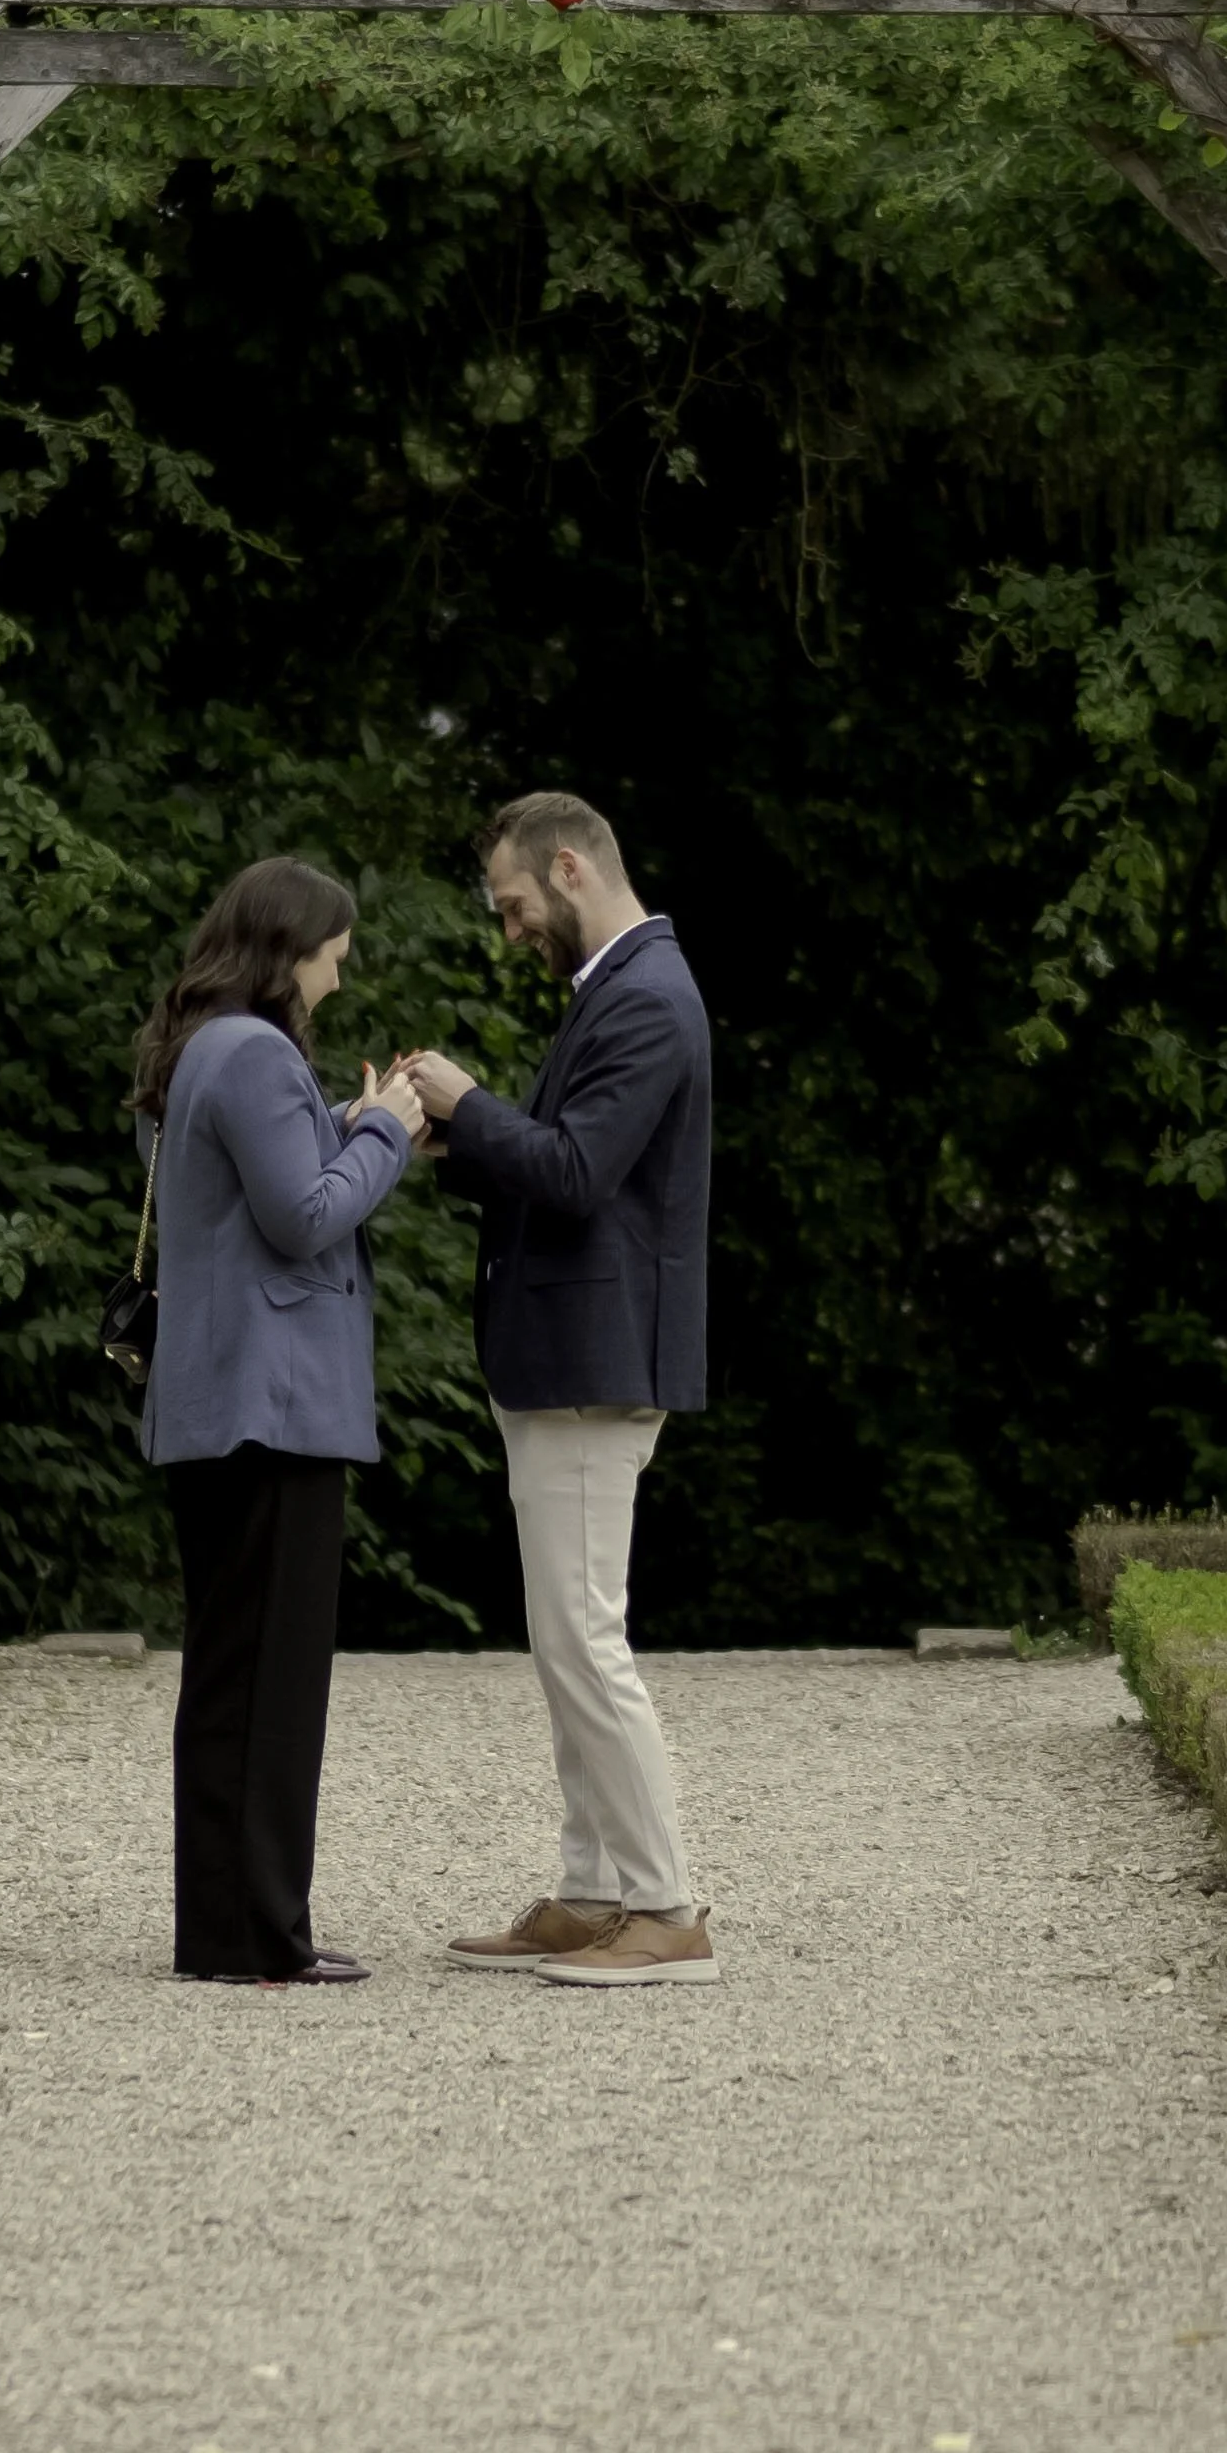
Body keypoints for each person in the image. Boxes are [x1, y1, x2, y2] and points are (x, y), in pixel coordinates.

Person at [404, 791, 716, 1989]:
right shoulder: (622, 989)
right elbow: (573, 1169)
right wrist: (466, 1142)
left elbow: (582, 1175)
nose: (511, 930)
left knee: (587, 1638)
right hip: (567, 1359)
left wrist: (469, 1103)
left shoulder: (647, 995)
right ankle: (594, 1892)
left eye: (517, 906)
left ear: (572, 869)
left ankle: (666, 1908)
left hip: (595, 1364)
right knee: (564, 1640)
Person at [134, 855, 424, 1986]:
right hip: (277, 1409)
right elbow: (304, 1219)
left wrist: (343, 1120)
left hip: (219, 1407)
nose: (339, 979)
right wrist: (387, 1130)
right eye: (334, 957)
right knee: (271, 1688)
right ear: (289, 950)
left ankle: (225, 1929)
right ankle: (259, 1934)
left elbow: (251, 1196)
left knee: (228, 1677)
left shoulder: (198, 1048)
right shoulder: (254, 1051)